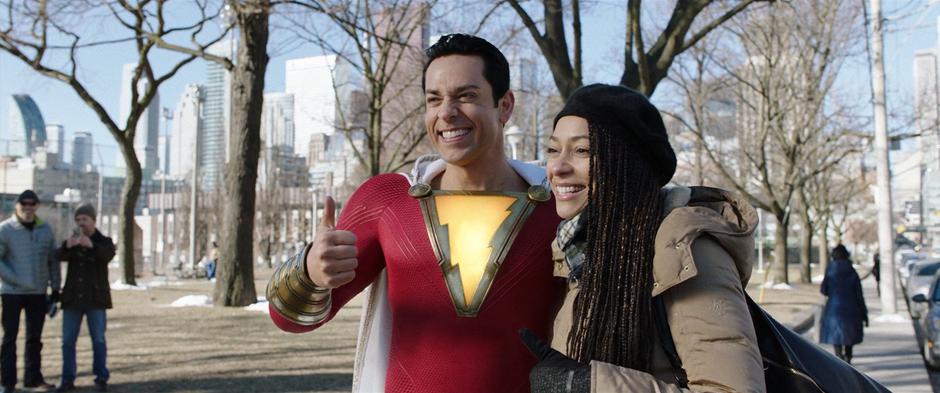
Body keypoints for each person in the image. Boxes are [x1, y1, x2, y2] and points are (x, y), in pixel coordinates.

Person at [266, 33, 565, 392]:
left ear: (505, 106)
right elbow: (289, 319)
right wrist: (311, 272)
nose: (446, 112)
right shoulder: (386, 200)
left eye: (466, 96)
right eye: (433, 99)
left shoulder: (560, 208)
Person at [521, 84, 765, 392]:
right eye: (553, 150)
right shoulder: (582, 253)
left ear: (629, 164)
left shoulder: (686, 251)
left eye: (582, 150)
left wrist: (590, 386)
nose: (557, 167)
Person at [0, 190, 60, 392]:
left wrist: (56, 288)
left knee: (35, 339)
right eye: (23, 203)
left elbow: (53, 261)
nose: (28, 207)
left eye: (32, 204)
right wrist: (16, 280)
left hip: (38, 293)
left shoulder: (45, 230)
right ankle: (7, 382)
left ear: (37, 206)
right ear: (17, 206)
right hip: (11, 293)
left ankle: (33, 378)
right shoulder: (5, 230)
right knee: (10, 337)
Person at [54, 204, 114, 392]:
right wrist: (66, 246)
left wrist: (92, 246)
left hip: (95, 299)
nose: (81, 224)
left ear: (93, 221)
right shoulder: (72, 240)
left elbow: (107, 255)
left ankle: (101, 377)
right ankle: (67, 379)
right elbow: (58, 256)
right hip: (72, 299)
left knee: (98, 339)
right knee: (68, 341)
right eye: (78, 220)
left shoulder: (104, 241)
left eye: (85, 220)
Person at [820, 244, 868, 364]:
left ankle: (839, 358)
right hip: (852, 310)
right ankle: (848, 358)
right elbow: (859, 295)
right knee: (849, 339)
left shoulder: (830, 270)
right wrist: (864, 315)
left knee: (836, 338)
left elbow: (823, 290)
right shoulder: (852, 271)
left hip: (834, 310)